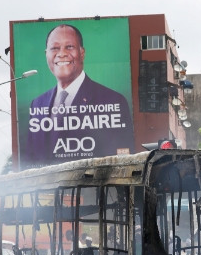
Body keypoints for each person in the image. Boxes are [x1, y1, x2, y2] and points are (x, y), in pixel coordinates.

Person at [26, 24, 134, 168]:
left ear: (82, 53)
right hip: (49, 190)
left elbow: (123, 159)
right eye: (54, 48)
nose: (62, 54)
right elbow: (30, 161)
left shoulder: (113, 100)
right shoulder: (37, 104)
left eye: (69, 46)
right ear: (46, 54)